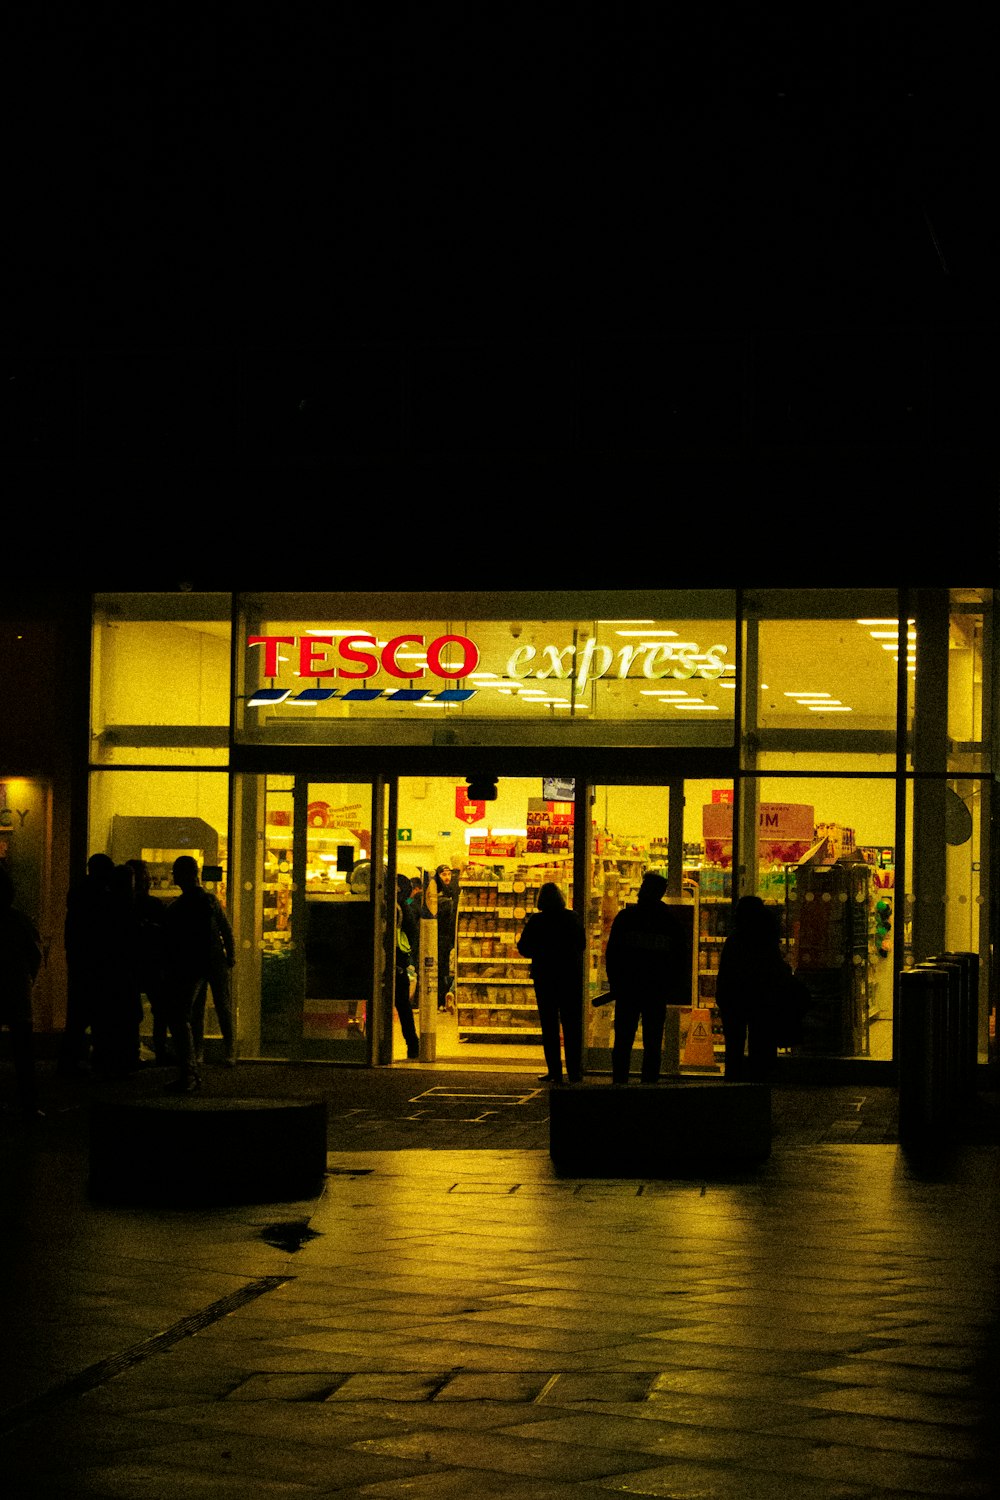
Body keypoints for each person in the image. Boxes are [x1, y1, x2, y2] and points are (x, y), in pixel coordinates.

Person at [605, 871, 680, 1086]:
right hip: (655, 990)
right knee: (653, 1042)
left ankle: (620, 1081)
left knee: (623, 1040)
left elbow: (613, 953)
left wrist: (616, 982)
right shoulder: (669, 922)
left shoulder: (626, 918)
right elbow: (677, 957)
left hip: (628, 989)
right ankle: (649, 1084)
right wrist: (670, 985)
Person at [715, 895, 792, 1081]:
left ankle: (733, 1079)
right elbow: (775, 968)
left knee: (734, 1045)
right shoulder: (767, 940)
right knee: (761, 1042)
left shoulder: (734, 940)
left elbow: (725, 971)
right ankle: (759, 1079)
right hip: (762, 999)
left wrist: (722, 998)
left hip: (735, 1000)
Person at [516, 882, 585, 1084]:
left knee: (549, 1026)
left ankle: (554, 1071)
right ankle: (574, 1071)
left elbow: (524, 947)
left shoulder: (537, 921)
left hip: (545, 976)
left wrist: (541, 952)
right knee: (572, 1025)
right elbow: (581, 944)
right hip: (569, 976)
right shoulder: (572, 918)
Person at [161, 855, 218, 1093]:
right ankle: (191, 1070)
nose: (174, 877)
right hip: (199, 966)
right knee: (190, 1017)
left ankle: (189, 1072)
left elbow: (175, 936)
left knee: (180, 1017)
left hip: (186, 967)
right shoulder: (206, 901)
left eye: (176, 872)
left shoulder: (184, 905)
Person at [59, 852, 116, 1073]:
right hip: (95, 963)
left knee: (78, 1015)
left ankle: (71, 1060)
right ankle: (96, 1060)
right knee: (97, 1014)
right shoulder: (100, 895)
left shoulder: (79, 892)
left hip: (81, 961)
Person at [0, 864, 43, 1119]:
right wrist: (29, 982)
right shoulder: (20, 921)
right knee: (24, 1053)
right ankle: (29, 1104)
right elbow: (35, 956)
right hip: (17, 992)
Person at [126, 858, 171, 1064]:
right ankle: (156, 1049)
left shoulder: (125, 906)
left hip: (140, 962)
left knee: (141, 1009)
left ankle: (136, 1049)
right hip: (148, 963)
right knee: (156, 1008)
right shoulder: (151, 904)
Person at [190, 871, 237, 1066]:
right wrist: (230, 955)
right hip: (214, 959)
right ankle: (229, 1051)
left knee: (198, 1009)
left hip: (195, 961)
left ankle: (199, 1052)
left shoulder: (184, 904)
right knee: (221, 1005)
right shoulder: (210, 901)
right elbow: (225, 929)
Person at [394, 878, 420, 1059]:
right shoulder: (403, 906)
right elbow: (412, 932)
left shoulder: (396, 906)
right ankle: (413, 1045)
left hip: (392, 958)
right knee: (403, 1005)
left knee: (400, 1004)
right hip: (400, 960)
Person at [434, 864, 458, 1010]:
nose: (447, 877)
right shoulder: (436, 894)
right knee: (441, 969)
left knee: (446, 969)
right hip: (440, 938)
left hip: (448, 939)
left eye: (449, 874)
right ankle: (442, 999)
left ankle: (445, 997)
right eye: (444, 875)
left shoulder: (452, 892)